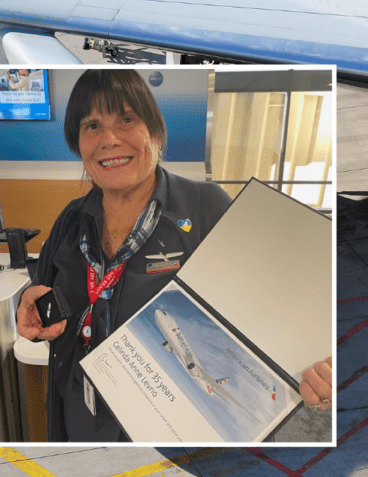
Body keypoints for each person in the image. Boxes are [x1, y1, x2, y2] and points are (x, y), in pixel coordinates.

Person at [15, 69, 330, 441]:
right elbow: (41, 298)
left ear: (155, 133)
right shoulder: (71, 219)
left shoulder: (205, 208)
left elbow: (279, 308)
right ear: (78, 144)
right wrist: (29, 312)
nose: (109, 139)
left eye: (126, 119)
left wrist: (313, 368)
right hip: (79, 415)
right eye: (92, 126)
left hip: (174, 429)